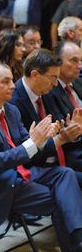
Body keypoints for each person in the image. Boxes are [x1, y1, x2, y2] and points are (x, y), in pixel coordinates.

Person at [0, 61, 82, 252]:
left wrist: (57, 138)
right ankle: (75, 251)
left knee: (65, 173)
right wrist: (34, 142)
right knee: (62, 199)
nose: (13, 85)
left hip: (22, 174)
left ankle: (78, 243)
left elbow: (29, 147)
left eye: (11, 80)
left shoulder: (11, 110)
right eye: (6, 81)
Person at [10, 49, 82, 186]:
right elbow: (25, 155)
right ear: (35, 74)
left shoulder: (47, 92)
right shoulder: (13, 103)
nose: (55, 84)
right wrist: (61, 138)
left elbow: (61, 130)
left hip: (65, 161)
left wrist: (72, 130)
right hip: (38, 169)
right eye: (53, 77)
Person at [44, 41, 82, 172]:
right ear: (57, 62)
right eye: (74, 61)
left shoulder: (77, 82)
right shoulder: (49, 91)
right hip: (74, 154)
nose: (79, 66)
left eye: (81, 61)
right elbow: (63, 132)